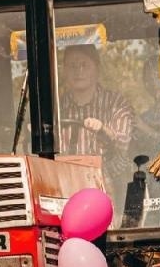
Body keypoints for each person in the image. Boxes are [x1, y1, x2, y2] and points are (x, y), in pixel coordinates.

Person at [57, 43, 134, 178]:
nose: (78, 71)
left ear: (97, 68)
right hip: (64, 183)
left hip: (106, 185)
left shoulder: (116, 103)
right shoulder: (55, 108)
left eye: (84, 65)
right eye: (73, 66)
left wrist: (103, 130)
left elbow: (122, 143)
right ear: (64, 71)